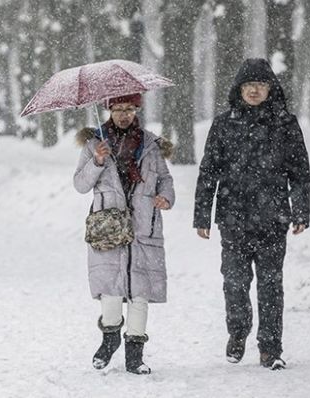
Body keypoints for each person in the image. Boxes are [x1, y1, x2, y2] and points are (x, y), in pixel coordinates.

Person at [193, 58, 310, 371]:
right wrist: (202, 216)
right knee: (234, 282)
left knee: (271, 285)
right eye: (248, 85)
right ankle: (238, 331)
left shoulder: (285, 124)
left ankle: (270, 348)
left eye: (260, 84)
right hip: (233, 219)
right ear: (239, 89)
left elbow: (300, 172)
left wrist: (300, 211)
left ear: (271, 88)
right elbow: (208, 171)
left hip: (273, 219)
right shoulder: (223, 123)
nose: (254, 90)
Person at [73, 93, 175, 375]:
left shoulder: (151, 144)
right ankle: (109, 338)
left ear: (136, 109)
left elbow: (165, 179)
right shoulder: (95, 142)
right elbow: (80, 185)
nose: (123, 115)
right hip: (109, 227)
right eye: (118, 109)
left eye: (129, 109)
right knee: (111, 290)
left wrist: (165, 197)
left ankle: (135, 355)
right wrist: (96, 160)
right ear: (109, 109)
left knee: (141, 292)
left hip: (144, 226)